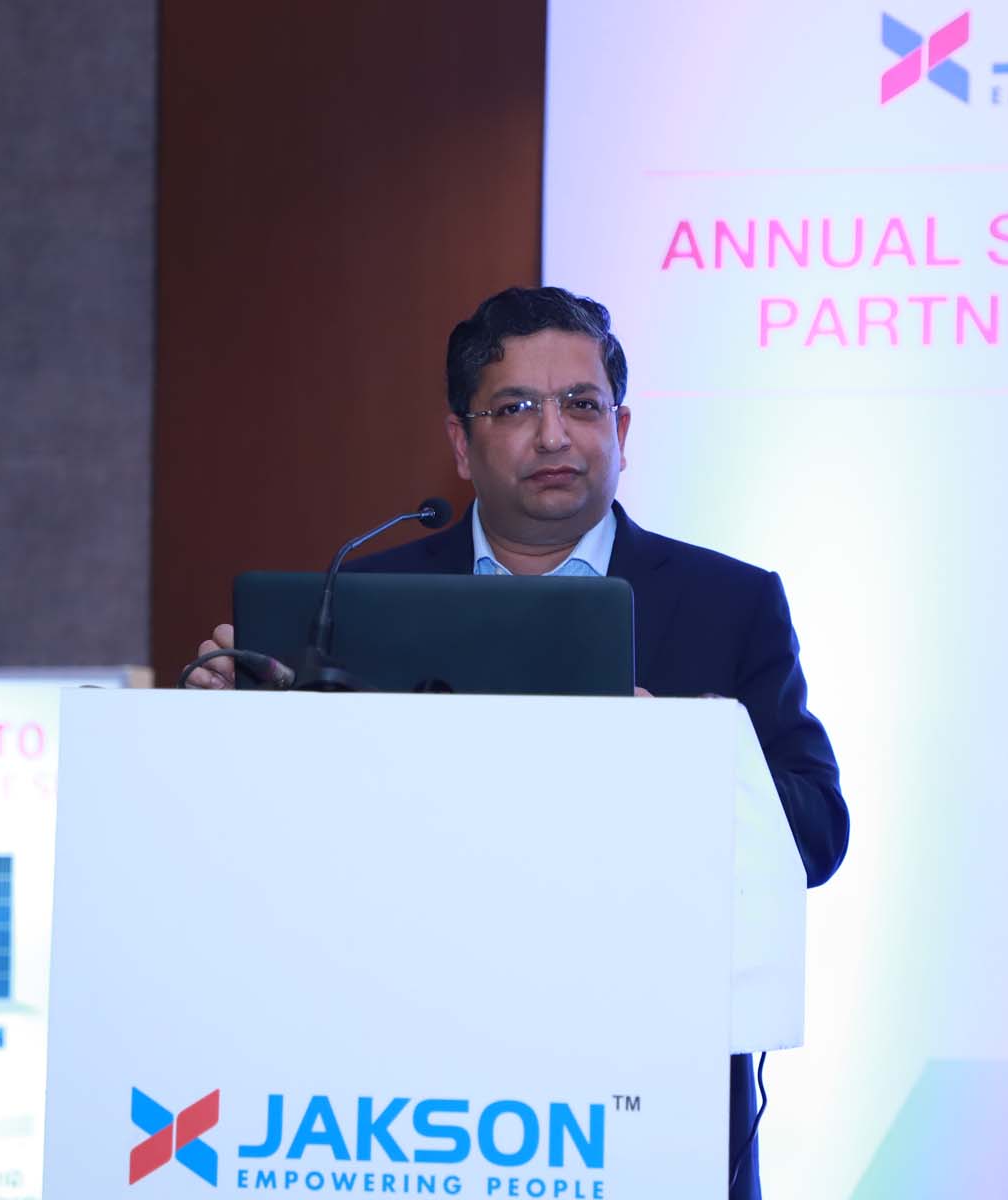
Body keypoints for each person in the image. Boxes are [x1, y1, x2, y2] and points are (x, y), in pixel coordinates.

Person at [188, 285, 848, 1199]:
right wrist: (218, 726)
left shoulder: (728, 603)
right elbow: (274, 844)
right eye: (515, 408)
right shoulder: (349, 599)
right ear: (461, 444)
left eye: (581, 404)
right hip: (406, 1090)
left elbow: (816, 836)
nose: (553, 435)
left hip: (646, 1088)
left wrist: (692, 758)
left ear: (621, 429)